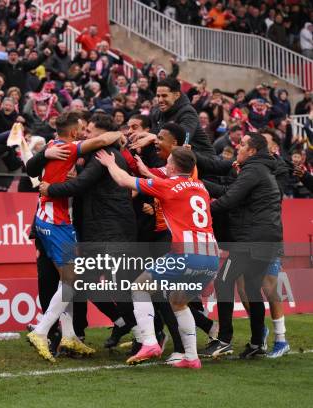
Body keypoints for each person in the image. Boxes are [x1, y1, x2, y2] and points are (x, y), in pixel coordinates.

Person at [96, 146, 219, 369]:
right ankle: (191, 358)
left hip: (186, 254)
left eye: (169, 161)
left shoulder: (168, 185)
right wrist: (147, 172)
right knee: (178, 301)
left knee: (139, 286)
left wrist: (109, 164)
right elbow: (171, 188)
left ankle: (150, 342)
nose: (167, 164)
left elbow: (124, 180)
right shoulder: (200, 187)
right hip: (211, 256)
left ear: (173, 166)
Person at [26, 112, 123, 362]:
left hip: (51, 219)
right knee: (72, 280)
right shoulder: (69, 148)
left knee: (68, 282)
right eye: (81, 128)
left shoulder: (52, 145)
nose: (83, 132)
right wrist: (119, 133)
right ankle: (41, 330)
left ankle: (69, 335)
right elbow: (102, 141)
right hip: (55, 221)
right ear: (72, 133)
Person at [201, 134, 283, 359]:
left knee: (223, 280)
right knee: (253, 289)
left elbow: (228, 200)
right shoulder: (260, 169)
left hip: (251, 240)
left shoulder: (253, 171)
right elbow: (229, 192)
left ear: (253, 151)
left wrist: (201, 209)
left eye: (243, 144)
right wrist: (200, 183)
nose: (238, 147)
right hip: (266, 239)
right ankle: (258, 342)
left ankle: (225, 339)